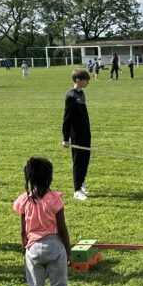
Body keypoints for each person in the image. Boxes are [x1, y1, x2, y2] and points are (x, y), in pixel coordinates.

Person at [13, 157, 78, 286]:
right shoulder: (54, 199)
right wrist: (68, 252)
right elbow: (63, 229)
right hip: (55, 247)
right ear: (49, 178)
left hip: (33, 249)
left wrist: (26, 249)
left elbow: (23, 231)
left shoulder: (23, 201)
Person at [62, 69, 92, 201]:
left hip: (86, 133)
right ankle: (76, 190)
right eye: (86, 80)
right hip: (76, 135)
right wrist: (65, 139)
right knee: (78, 161)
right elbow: (66, 118)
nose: (88, 82)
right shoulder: (71, 96)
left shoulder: (82, 94)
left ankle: (82, 182)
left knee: (85, 159)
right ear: (78, 80)